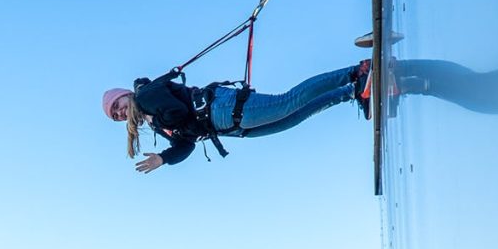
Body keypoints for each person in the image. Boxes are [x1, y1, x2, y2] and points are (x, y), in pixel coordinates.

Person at [102, 60, 372, 173]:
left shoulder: (146, 96)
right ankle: (353, 92)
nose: (119, 112)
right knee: (293, 117)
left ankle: (354, 72)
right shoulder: (151, 120)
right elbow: (186, 144)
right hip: (227, 126)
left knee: (288, 102)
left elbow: (179, 113)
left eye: (117, 105)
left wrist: (160, 123)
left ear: (125, 95)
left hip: (221, 108)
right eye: (116, 116)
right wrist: (164, 158)